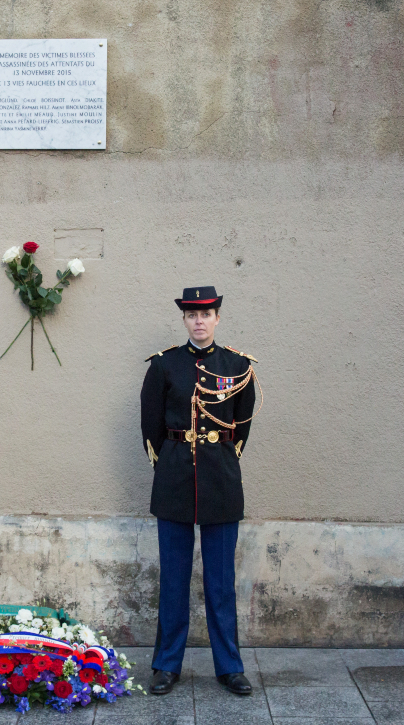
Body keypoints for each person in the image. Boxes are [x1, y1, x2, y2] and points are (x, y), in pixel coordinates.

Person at [139, 286, 259, 696]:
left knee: (221, 581)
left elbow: (240, 426)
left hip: (221, 481)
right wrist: (170, 461)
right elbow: (150, 425)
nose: (199, 321)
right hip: (174, 479)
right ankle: (166, 664)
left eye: (206, 314)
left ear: (218, 318)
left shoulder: (238, 365)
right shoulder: (164, 365)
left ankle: (229, 666)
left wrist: (221, 460)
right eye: (192, 315)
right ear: (184, 320)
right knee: (173, 578)